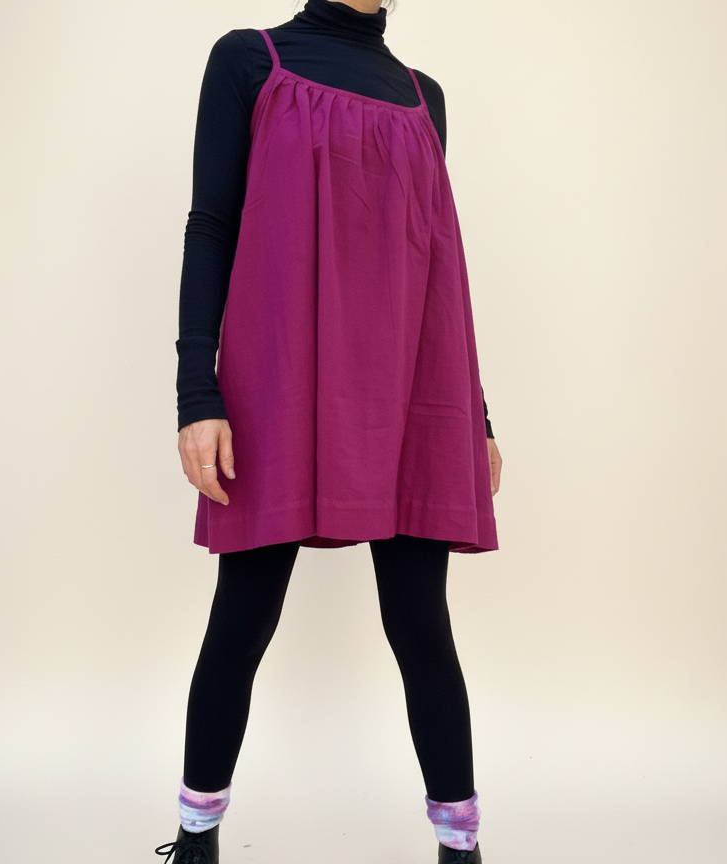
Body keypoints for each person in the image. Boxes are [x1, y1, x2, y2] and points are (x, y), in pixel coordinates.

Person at [156, 1, 503, 861]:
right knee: (244, 616)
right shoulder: (249, 61)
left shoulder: (424, 97)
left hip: (411, 390)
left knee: (421, 623)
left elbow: (438, 265)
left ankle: (461, 847)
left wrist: (479, 415)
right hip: (281, 379)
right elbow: (212, 225)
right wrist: (197, 394)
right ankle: (196, 840)